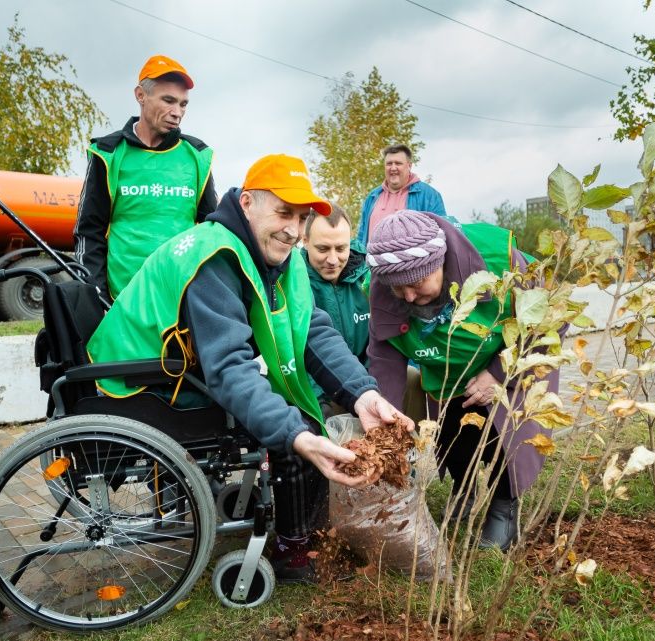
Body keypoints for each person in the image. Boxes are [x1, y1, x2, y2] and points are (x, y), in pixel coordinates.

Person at [87, 154, 412, 582]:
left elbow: (311, 331)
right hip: (140, 381)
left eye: (300, 218)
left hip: (180, 367)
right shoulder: (213, 254)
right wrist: (295, 434)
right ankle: (293, 549)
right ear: (246, 203)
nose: (293, 230)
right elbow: (227, 366)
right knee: (294, 423)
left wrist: (363, 394)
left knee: (295, 414)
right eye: (282, 212)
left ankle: (307, 532)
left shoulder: (278, 256)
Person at [365, 210, 556, 550]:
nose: (408, 297)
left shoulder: (500, 262)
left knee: (502, 432)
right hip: (447, 368)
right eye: (398, 288)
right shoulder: (382, 289)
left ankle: (503, 504)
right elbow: (385, 357)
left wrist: (498, 374)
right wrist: (386, 425)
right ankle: (463, 487)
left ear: (441, 264)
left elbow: (548, 322)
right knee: (454, 428)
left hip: (508, 360)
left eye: (417, 283)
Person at [73, 54, 217, 300]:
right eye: (168, 100)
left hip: (182, 300)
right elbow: (89, 233)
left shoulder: (198, 156)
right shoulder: (107, 154)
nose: (177, 112)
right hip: (122, 301)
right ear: (141, 95)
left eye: (183, 104)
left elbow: (211, 233)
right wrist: (97, 298)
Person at [300, 203, 370, 415]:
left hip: (363, 385)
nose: (332, 260)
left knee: (411, 376)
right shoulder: (291, 282)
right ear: (305, 242)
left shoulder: (369, 279)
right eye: (322, 249)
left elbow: (379, 348)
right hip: (314, 391)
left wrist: (369, 389)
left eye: (341, 249)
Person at [356, 144, 446, 246]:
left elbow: (441, 234)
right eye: (389, 164)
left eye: (398, 163)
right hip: (371, 261)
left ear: (409, 166)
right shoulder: (372, 197)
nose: (393, 168)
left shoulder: (429, 195)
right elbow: (361, 236)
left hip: (412, 261)